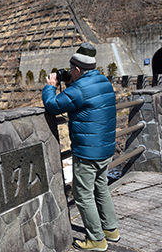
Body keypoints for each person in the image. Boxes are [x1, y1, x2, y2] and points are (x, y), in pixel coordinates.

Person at [42, 42, 120, 251]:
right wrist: (70, 82)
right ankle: (111, 229)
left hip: (88, 151)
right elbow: (81, 99)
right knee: (101, 188)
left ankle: (96, 239)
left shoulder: (80, 89)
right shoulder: (102, 80)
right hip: (105, 148)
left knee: (83, 194)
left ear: (77, 69)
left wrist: (50, 86)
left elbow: (53, 105)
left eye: (71, 69)